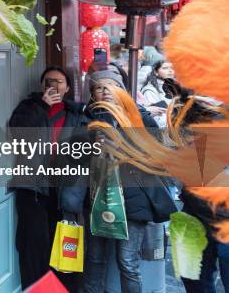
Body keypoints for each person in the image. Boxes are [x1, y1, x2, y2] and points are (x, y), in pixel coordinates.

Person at [61, 69, 176, 293]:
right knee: (94, 260)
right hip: (95, 199)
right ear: (93, 93)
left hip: (133, 199)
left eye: (110, 86)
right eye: (99, 87)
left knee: (128, 262)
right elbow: (72, 154)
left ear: (121, 90)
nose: (105, 91)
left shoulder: (140, 117)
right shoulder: (85, 118)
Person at [7, 66, 88, 290]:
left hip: (63, 191)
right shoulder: (30, 106)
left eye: (59, 81)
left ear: (68, 87)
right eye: (49, 81)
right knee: (33, 246)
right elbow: (17, 131)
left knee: (63, 248)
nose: (53, 85)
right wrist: (43, 105)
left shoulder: (77, 114)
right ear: (42, 85)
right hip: (32, 188)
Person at [139, 61, 175, 127]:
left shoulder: (174, 89)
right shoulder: (150, 90)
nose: (170, 71)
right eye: (165, 68)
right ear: (156, 72)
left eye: (172, 68)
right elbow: (156, 119)